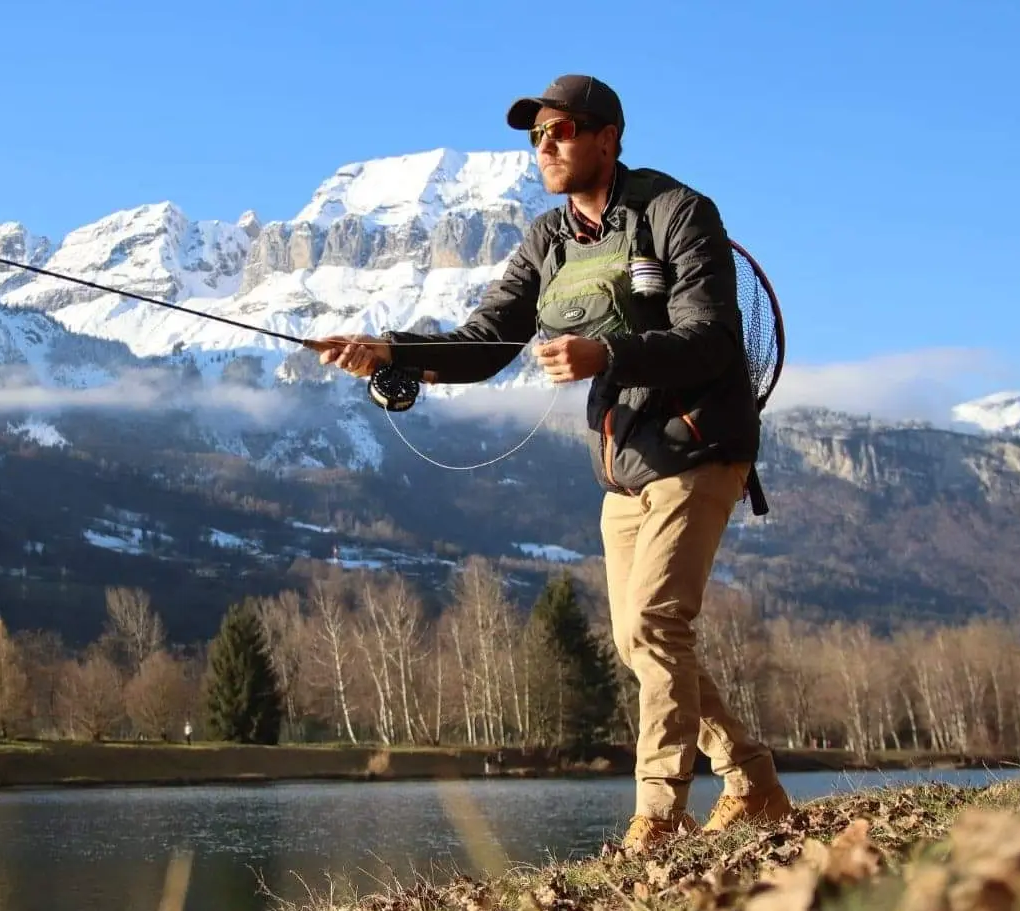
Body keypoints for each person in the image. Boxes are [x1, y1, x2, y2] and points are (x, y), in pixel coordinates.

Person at [313, 73, 792, 854]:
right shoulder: (548, 240)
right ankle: (753, 782)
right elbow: (485, 342)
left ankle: (658, 816)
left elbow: (711, 339)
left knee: (656, 623)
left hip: (702, 446)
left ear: (607, 137)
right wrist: (391, 350)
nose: (544, 146)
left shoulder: (678, 212)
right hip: (624, 466)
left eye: (560, 130)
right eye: (536, 136)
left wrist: (607, 352)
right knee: (640, 641)